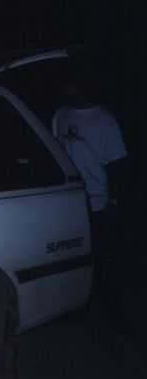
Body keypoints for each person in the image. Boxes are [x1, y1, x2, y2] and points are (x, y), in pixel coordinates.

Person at [51, 68, 127, 317]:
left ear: (78, 85)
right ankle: (78, 306)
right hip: (71, 202)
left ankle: (115, 313)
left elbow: (116, 164)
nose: (61, 88)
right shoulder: (61, 115)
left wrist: (114, 201)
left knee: (105, 258)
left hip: (98, 201)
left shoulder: (104, 120)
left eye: (66, 83)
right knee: (75, 257)